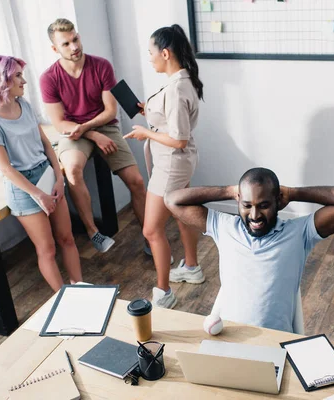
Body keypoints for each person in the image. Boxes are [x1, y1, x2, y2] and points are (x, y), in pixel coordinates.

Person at [165, 168, 334, 332]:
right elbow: (172, 200)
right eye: (246, 205)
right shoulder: (224, 227)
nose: (254, 215)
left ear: (278, 202)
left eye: (263, 205)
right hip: (229, 337)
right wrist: (229, 190)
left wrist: (294, 193)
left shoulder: (299, 233)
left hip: (275, 343)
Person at [40, 18, 147, 253]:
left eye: (75, 39)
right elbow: (59, 123)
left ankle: (150, 236)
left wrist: (91, 129)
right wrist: (91, 135)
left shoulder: (101, 66)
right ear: (55, 48)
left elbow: (110, 110)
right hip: (73, 132)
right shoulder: (49, 78)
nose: (74, 47)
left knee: (137, 182)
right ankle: (93, 232)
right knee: (73, 171)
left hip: (104, 125)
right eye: (66, 44)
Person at [0, 55, 82, 292]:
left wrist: (59, 178)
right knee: (47, 249)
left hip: (46, 175)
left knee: (67, 238)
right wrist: (38, 195)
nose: (24, 81)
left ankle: (81, 288)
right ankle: (64, 300)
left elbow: (46, 144)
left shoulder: (24, 105)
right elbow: (5, 168)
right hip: (24, 189)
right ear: (2, 79)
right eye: (18, 75)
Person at [123, 25, 204, 309]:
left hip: (172, 164)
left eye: (151, 53)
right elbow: (174, 120)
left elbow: (179, 139)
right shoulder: (181, 82)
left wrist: (145, 132)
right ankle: (192, 267)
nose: (149, 58)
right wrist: (150, 111)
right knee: (182, 215)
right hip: (178, 163)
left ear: (165, 53)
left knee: (151, 230)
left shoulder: (177, 87)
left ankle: (163, 292)